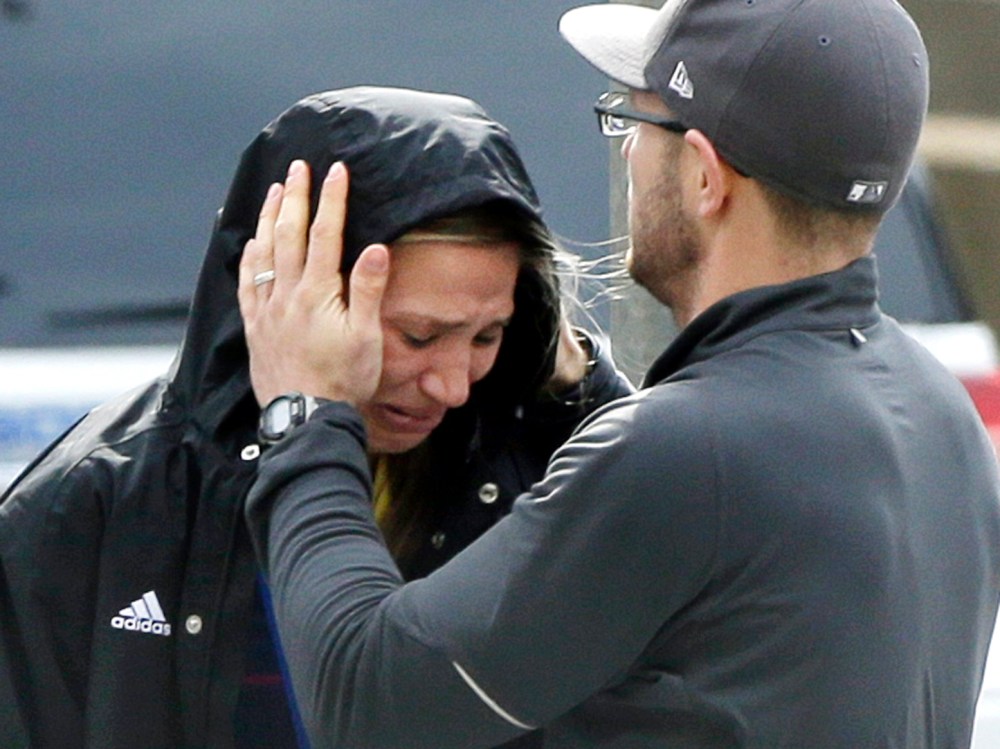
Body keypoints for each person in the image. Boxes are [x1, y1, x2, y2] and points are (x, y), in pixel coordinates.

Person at [239, 1, 1000, 748]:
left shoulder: (689, 450)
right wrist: (584, 394)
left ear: (704, 176)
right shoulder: (940, 410)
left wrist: (306, 409)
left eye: (633, 121)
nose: (627, 152)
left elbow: (367, 699)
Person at [0, 86, 631, 748]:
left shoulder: (544, 471)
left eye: (486, 335)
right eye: (416, 336)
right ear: (285, 290)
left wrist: (580, 395)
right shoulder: (93, 504)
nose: (450, 386)